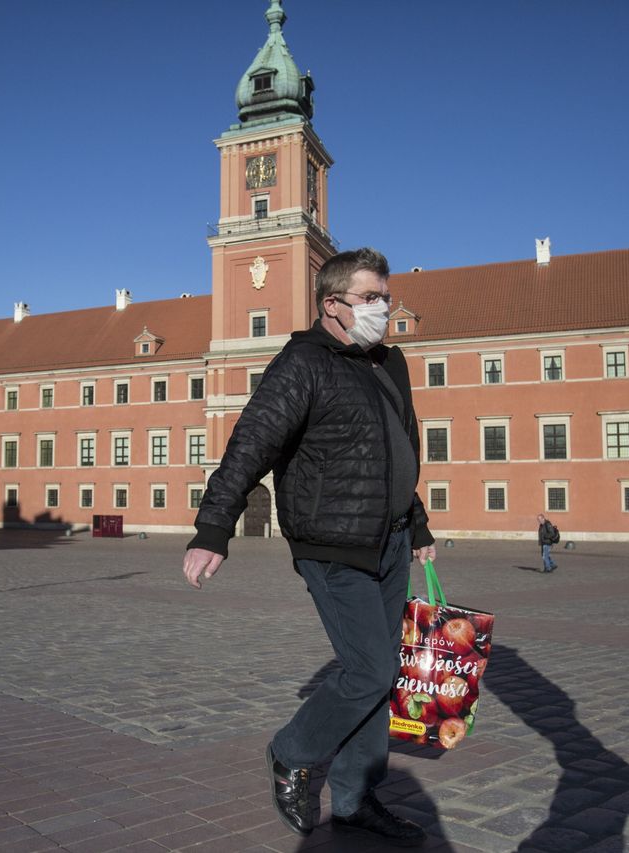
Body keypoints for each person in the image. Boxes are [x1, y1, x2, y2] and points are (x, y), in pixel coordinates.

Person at [182, 247, 436, 847]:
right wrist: (214, 529)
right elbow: (251, 443)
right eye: (371, 298)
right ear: (333, 304)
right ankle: (291, 752)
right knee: (370, 669)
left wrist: (417, 524)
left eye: (385, 297)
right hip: (331, 541)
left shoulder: (386, 363)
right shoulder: (302, 363)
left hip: (391, 539)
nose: (383, 308)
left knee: (383, 673)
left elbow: (397, 452)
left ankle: (353, 799)